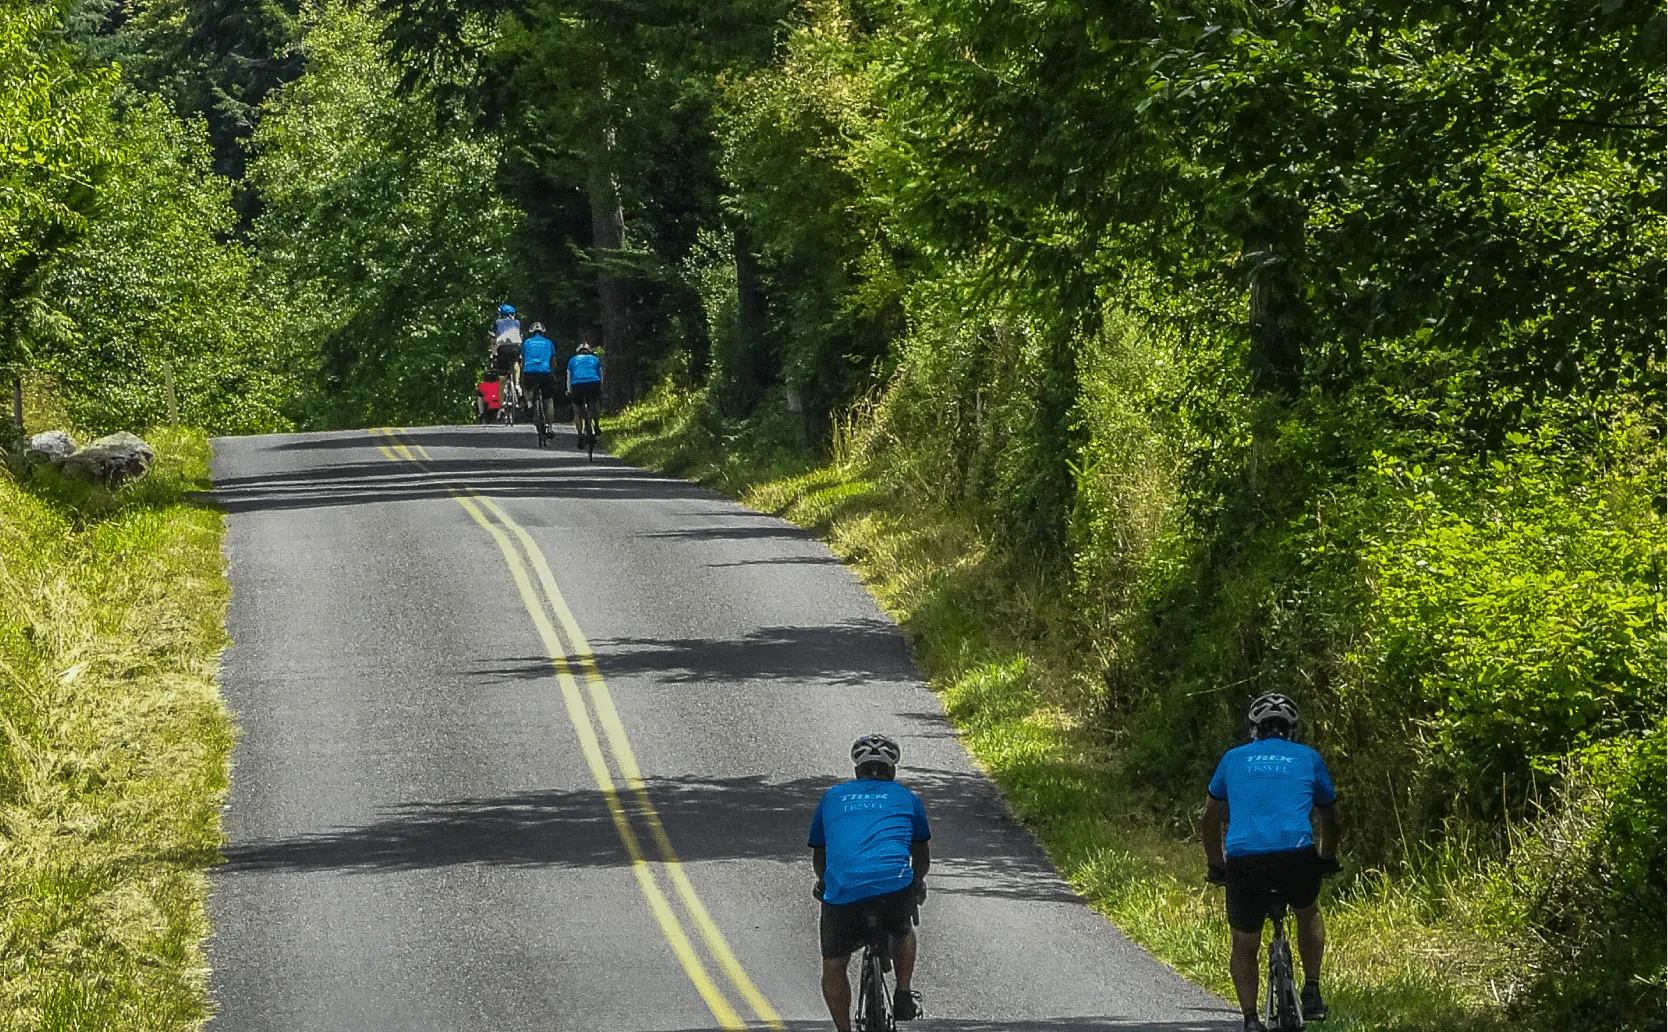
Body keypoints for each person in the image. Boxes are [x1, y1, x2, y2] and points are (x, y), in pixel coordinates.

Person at [1202, 693, 1341, 1032]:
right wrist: (1327, 857)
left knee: (1244, 941)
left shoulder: (1232, 758)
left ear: (1254, 729)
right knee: (1307, 912)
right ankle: (1312, 989)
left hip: (1244, 860)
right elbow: (1331, 817)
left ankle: (1250, 1019)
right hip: (1297, 855)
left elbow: (1209, 818)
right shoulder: (1308, 757)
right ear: (1292, 730)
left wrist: (1216, 865)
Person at [808, 733, 930, 1032]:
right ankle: (903, 991)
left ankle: (843, 1029)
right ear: (892, 770)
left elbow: (820, 853)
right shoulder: (907, 798)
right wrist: (917, 882)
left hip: (845, 888)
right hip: (893, 885)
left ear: (857, 770)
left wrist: (823, 881)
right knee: (903, 930)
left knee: (834, 963)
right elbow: (921, 854)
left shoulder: (832, 797)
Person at [566, 333, 603, 449]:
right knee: (594, 403)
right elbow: (601, 376)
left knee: (577, 410)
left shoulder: (572, 360)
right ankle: (596, 425)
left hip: (577, 385)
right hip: (593, 383)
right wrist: (600, 389)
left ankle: (580, 434)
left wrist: (569, 391)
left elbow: (569, 378)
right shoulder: (595, 359)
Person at [519, 323, 560, 424]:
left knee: (526, 386)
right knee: (549, 400)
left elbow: (523, 361)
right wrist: (552, 373)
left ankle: (529, 403)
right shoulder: (549, 342)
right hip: (545, 372)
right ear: (543, 332)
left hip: (529, 372)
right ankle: (550, 427)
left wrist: (522, 375)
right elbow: (553, 361)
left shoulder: (526, 342)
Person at [489, 304, 523, 418]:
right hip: (515, 347)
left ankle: (502, 405)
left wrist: (493, 353)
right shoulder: (517, 323)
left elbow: (493, 339)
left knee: (502, 378)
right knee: (516, 362)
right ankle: (517, 384)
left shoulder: (497, 322)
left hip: (502, 348)